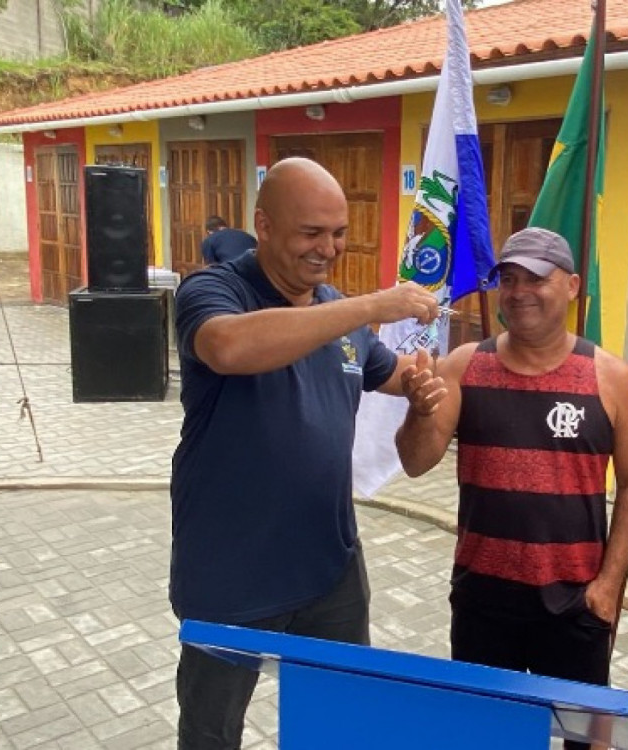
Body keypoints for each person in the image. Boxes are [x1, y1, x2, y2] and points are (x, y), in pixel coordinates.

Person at [170, 157, 441, 749]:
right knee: (211, 733)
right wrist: (371, 306)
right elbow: (227, 348)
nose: (328, 248)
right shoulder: (213, 290)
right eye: (311, 232)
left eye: (338, 233)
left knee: (339, 725)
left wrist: (425, 385)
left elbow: (392, 371)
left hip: (328, 567)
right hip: (229, 572)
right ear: (264, 225)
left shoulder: (336, 312)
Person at [395, 228, 628, 745]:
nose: (519, 292)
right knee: (487, 737)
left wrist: (607, 586)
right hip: (483, 602)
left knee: (586, 738)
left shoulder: (612, 380)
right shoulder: (464, 366)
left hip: (575, 603)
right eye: (509, 279)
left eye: (536, 278)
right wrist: (419, 413)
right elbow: (416, 462)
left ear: (572, 286)